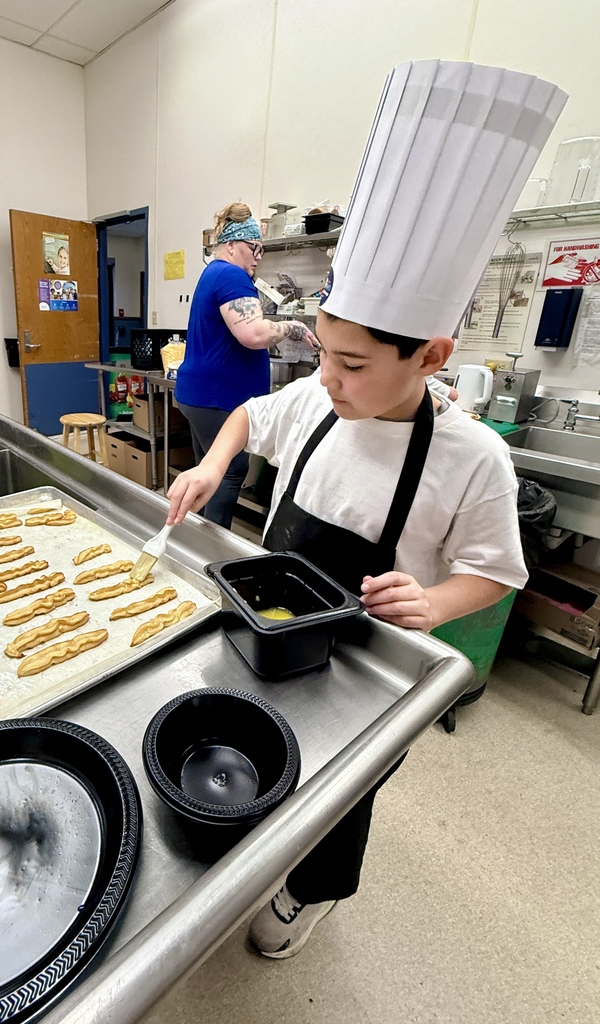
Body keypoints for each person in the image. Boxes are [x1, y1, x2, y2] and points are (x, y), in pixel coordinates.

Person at [167, 60, 566, 959]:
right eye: (324, 355)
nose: (331, 380)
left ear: (430, 356)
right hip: (270, 625)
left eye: (353, 365)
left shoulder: (474, 458)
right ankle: (262, 841)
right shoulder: (318, 398)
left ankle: (312, 892)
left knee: (346, 790)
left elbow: (497, 571)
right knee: (265, 751)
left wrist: (435, 601)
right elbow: (249, 414)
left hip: (370, 661)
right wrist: (210, 463)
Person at [174, 202, 317, 529]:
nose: (258, 257)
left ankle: (196, 539)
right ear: (231, 245)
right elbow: (253, 334)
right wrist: (293, 327)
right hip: (219, 399)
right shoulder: (231, 275)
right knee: (228, 471)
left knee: (207, 471)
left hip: (200, 395)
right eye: (254, 248)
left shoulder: (212, 273)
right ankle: (212, 551)